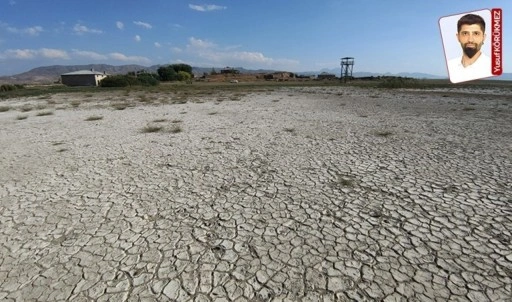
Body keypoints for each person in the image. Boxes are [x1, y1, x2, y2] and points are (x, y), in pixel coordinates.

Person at [447, 13, 493, 83]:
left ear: (483, 37)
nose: (470, 40)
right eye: (465, 33)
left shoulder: (492, 66)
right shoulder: (450, 66)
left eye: (476, 33)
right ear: (458, 37)